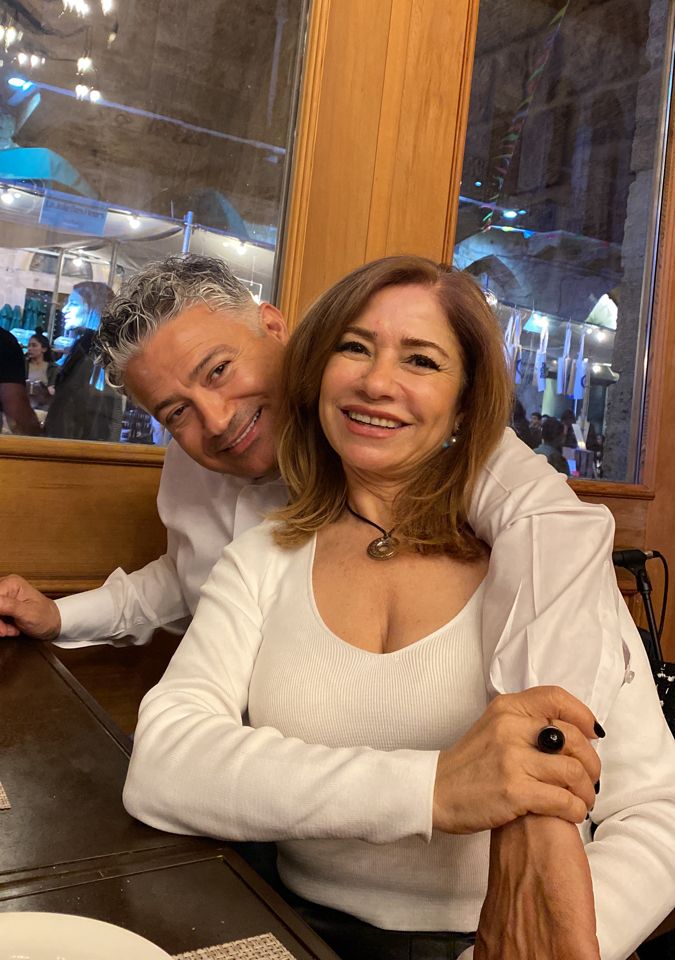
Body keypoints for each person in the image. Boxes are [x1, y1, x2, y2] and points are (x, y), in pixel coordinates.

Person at [123, 256, 675, 960]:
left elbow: (653, 810)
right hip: (291, 933)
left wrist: (561, 940)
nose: (377, 382)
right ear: (316, 372)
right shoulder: (262, 556)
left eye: (421, 360)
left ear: (466, 401)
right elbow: (165, 763)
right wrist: (434, 789)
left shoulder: (547, 563)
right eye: (354, 348)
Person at [0, 257, 623, 726]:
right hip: (238, 776)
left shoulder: (386, 435)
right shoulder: (193, 459)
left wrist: (539, 748)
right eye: (176, 411)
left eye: (219, 370)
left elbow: (548, 524)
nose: (215, 420)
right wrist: (61, 616)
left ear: (273, 326)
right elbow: (186, 573)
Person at [44, 282, 124, 443]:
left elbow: (95, 406)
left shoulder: (95, 350)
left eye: (73, 304)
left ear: (92, 308)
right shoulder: (85, 346)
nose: (64, 310)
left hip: (78, 446)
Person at [0, 325, 41, 435]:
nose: (30, 348)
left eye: (34, 345)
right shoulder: (4, 343)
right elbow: (16, 408)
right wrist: (40, 439)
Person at [25, 331, 59, 408]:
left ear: (44, 349)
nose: (30, 349)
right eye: (29, 346)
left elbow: (54, 390)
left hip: (44, 407)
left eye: (34, 345)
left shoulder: (54, 369)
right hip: (23, 405)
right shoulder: (23, 365)